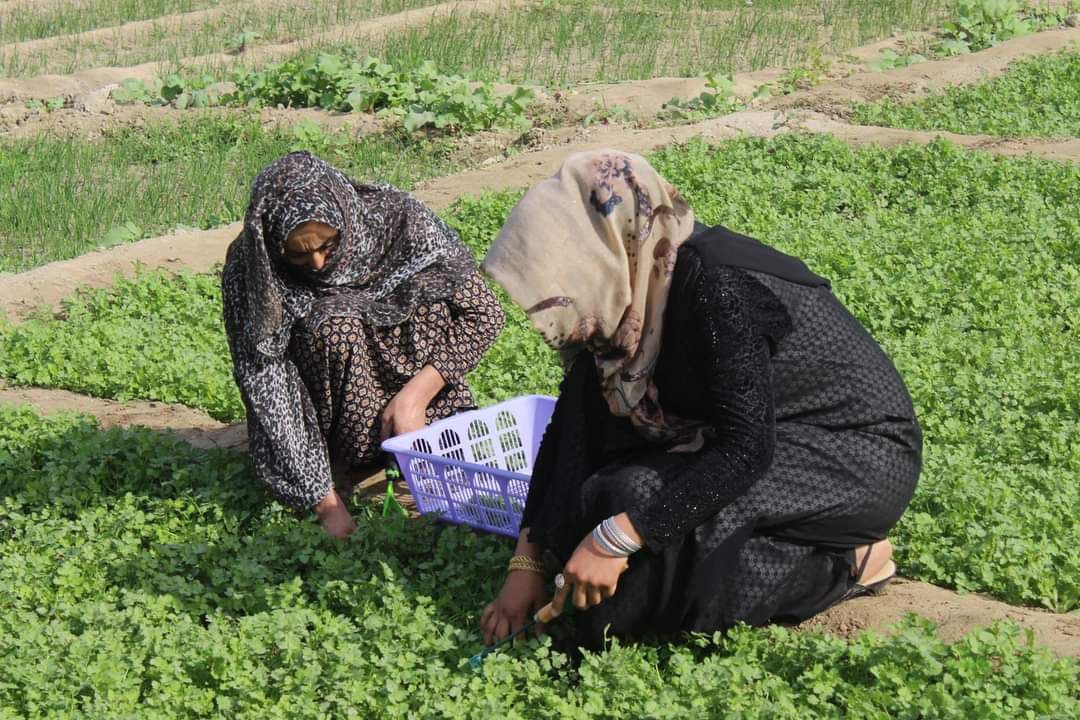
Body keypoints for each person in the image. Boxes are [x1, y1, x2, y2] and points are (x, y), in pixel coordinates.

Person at [479, 150, 921, 651]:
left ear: (600, 253)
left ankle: (846, 563)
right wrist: (528, 562)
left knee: (643, 541)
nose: (552, 310)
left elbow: (746, 451)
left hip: (848, 456)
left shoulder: (714, 288)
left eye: (559, 285)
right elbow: (569, 434)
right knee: (604, 498)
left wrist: (617, 539)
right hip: (761, 444)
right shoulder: (620, 308)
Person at [222, 152, 504, 537]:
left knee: (430, 300)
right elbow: (266, 382)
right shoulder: (253, 263)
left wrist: (415, 397)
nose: (319, 263)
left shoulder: (399, 218)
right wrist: (324, 502)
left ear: (344, 218)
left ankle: (427, 445)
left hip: (424, 402)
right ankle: (358, 465)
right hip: (338, 419)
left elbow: (484, 314)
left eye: (327, 245)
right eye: (299, 254)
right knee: (336, 327)